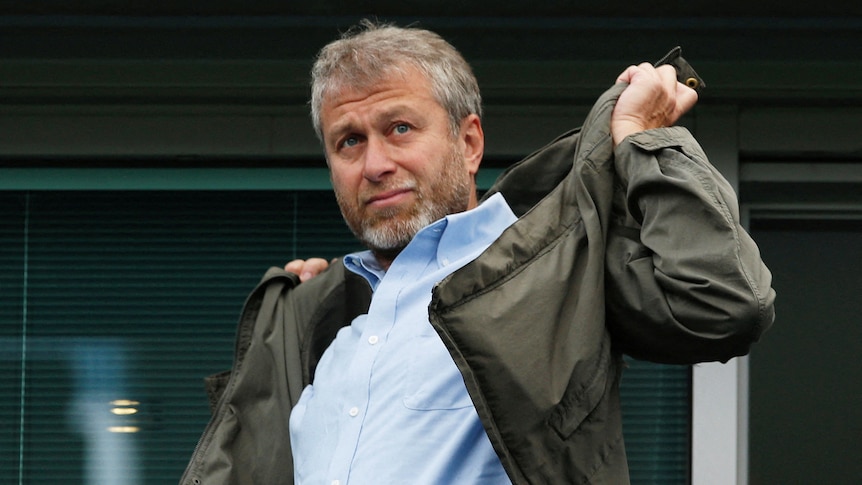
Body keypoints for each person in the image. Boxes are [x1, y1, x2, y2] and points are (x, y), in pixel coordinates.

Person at [180, 20, 775, 485]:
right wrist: (310, 310)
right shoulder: (330, 322)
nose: (376, 163)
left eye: (400, 129)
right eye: (349, 142)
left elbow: (721, 303)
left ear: (468, 143)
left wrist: (644, 140)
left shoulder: (555, 265)